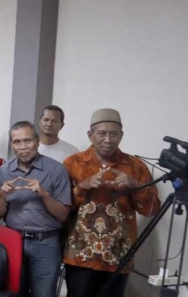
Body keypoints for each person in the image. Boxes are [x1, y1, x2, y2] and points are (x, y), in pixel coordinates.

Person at [62, 108, 160, 297]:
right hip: (80, 256)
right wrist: (82, 186)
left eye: (114, 134)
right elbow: (60, 209)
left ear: (121, 136)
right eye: (102, 133)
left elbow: (151, 211)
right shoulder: (73, 163)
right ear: (90, 135)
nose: (108, 139)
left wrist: (135, 186)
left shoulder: (135, 166)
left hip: (118, 256)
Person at [0, 121, 70, 297]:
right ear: (12, 145)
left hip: (46, 244)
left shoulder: (56, 170)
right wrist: (2, 196)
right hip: (13, 240)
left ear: (38, 141)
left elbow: (63, 215)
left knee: (44, 294)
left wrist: (44, 194)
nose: (23, 147)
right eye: (17, 142)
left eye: (27, 141)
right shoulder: (4, 172)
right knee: (13, 293)